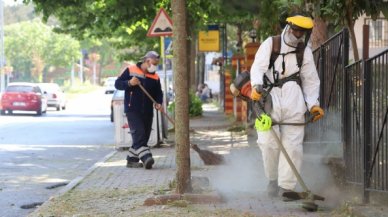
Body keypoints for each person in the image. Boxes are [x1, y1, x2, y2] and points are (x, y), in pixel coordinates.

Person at [250, 15, 324, 198]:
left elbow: (311, 80)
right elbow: (257, 67)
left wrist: (313, 104)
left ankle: (286, 187)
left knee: (293, 146)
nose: (298, 35)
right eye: (296, 30)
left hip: (294, 100)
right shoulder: (271, 43)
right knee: (268, 144)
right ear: (289, 28)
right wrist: (255, 86)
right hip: (269, 99)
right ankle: (272, 179)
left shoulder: (304, 51)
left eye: (302, 32)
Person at [115, 51, 163, 169]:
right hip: (133, 109)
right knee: (139, 134)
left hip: (147, 110)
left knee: (144, 137)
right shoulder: (130, 70)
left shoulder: (155, 76)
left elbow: (158, 93)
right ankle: (147, 157)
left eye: (157, 64)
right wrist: (129, 82)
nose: (155, 66)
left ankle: (131, 160)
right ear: (147, 61)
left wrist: (158, 103)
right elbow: (118, 84)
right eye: (154, 63)